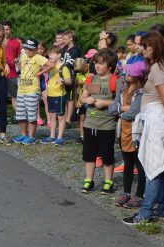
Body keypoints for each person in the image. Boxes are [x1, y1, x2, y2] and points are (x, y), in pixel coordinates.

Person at [123, 31, 164, 225]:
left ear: (154, 46)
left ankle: (145, 212)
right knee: (161, 168)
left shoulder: (157, 68)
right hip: (159, 118)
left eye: (145, 46)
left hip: (156, 119)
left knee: (153, 168)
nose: (142, 49)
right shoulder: (162, 65)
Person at [81, 48, 118, 194]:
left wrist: (105, 103)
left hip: (107, 125)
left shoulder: (115, 81)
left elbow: (120, 102)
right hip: (90, 123)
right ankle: (88, 180)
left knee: (107, 155)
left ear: (110, 66)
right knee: (89, 154)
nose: (97, 65)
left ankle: (108, 182)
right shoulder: (91, 79)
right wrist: (87, 99)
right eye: (96, 62)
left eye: (101, 63)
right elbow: (83, 97)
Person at [115, 61, 148, 209]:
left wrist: (121, 110)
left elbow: (133, 112)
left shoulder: (141, 92)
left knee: (139, 164)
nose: (126, 74)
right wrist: (124, 108)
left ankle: (140, 195)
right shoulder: (123, 90)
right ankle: (126, 192)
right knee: (127, 163)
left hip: (137, 131)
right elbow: (112, 109)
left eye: (130, 73)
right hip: (124, 130)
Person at [15, 38, 50, 144]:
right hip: (21, 89)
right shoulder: (23, 56)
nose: (28, 51)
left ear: (36, 49)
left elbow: (51, 65)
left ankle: (31, 137)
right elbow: (20, 66)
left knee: (31, 115)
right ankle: (24, 134)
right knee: (20, 115)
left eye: (31, 49)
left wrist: (40, 73)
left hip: (32, 90)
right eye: (26, 48)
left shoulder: (38, 57)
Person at [43, 45, 73, 145]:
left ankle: (60, 137)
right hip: (50, 94)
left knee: (61, 117)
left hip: (59, 95)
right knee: (52, 116)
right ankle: (52, 136)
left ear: (59, 55)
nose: (50, 56)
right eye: (49, 54)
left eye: (52, 54)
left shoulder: (64, 68)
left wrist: (63, 80)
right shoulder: (51, 66)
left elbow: (69, 82)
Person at [3, 21, 21, 115]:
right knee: (0, 95)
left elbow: (19, 56)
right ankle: (1, 116)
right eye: (4, 29)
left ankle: (19, 116)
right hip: (0, 72)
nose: (5, 31)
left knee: (14, 95)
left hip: (12, 72)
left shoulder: (16, 42)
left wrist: (16, 60)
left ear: (11, 30)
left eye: (7, 29)